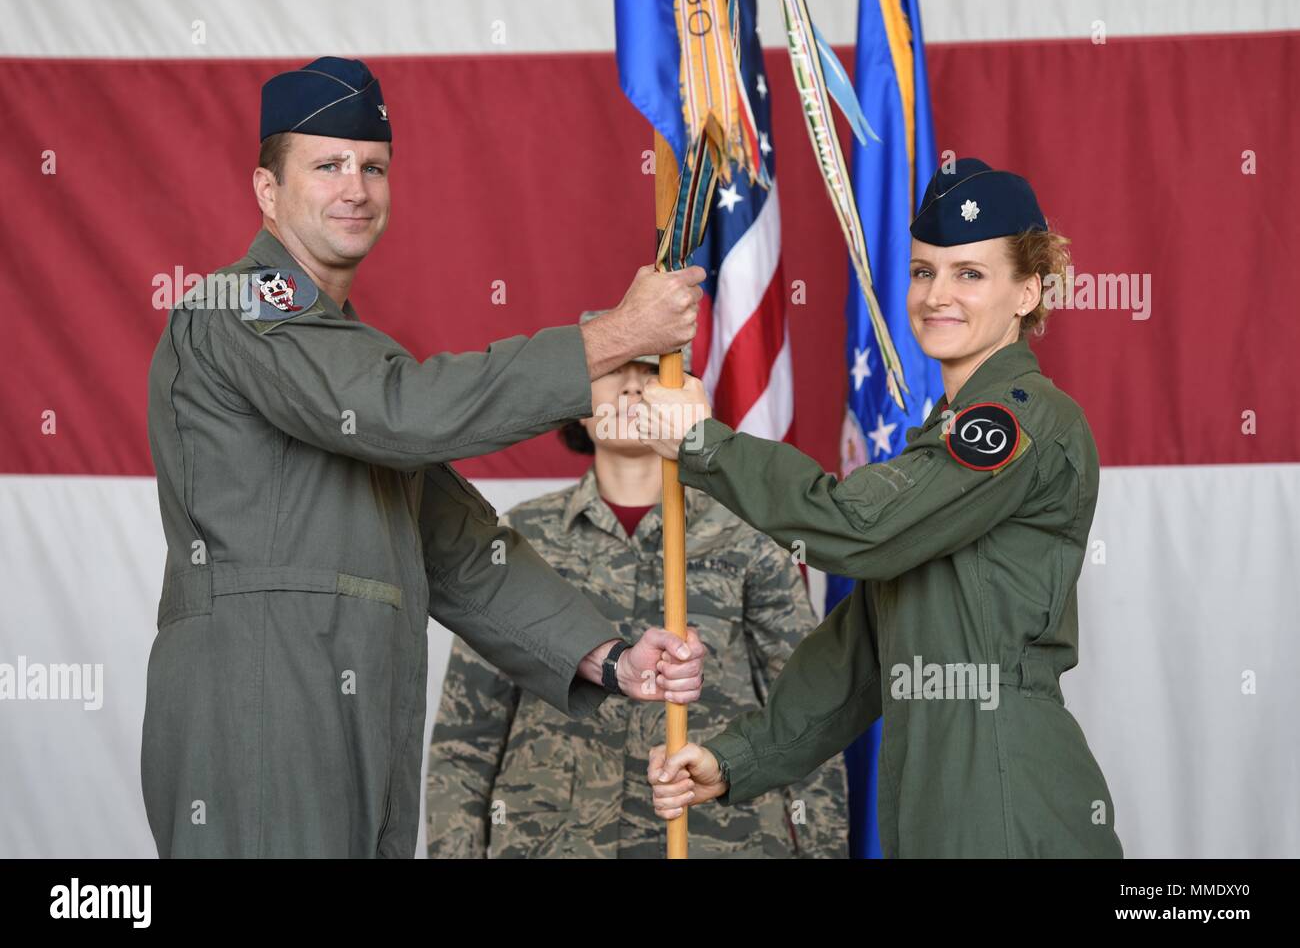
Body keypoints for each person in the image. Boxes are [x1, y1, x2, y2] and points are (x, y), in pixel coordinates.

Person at [143, 56, 709, 858]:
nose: (356, 188)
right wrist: (613, 337)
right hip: (260, 713)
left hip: (358, 715)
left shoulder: (348, 359)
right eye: (328, 164)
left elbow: (456, 550)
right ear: (267, 191)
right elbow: (398, 412)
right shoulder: (234, 309)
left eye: (373, 167)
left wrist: (604, 652)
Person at [636, 159, 1124, 858]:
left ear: (1028, 292)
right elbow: (864, 654)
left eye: (970, 274)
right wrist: (737, 757)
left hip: (1003, 795)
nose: (936, 294)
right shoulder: (945, 435)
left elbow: (853, 527)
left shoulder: (1019, 422)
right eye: (925, 272)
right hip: (936, 789)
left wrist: (699, 444)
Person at [427, 321, 849, 858]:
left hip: (721, 842)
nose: (630, 387)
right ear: (576, 399)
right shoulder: (521, 537)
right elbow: (468, 736)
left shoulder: (747, 535)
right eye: (610, 370)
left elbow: (805, 718)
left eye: (650, 370)